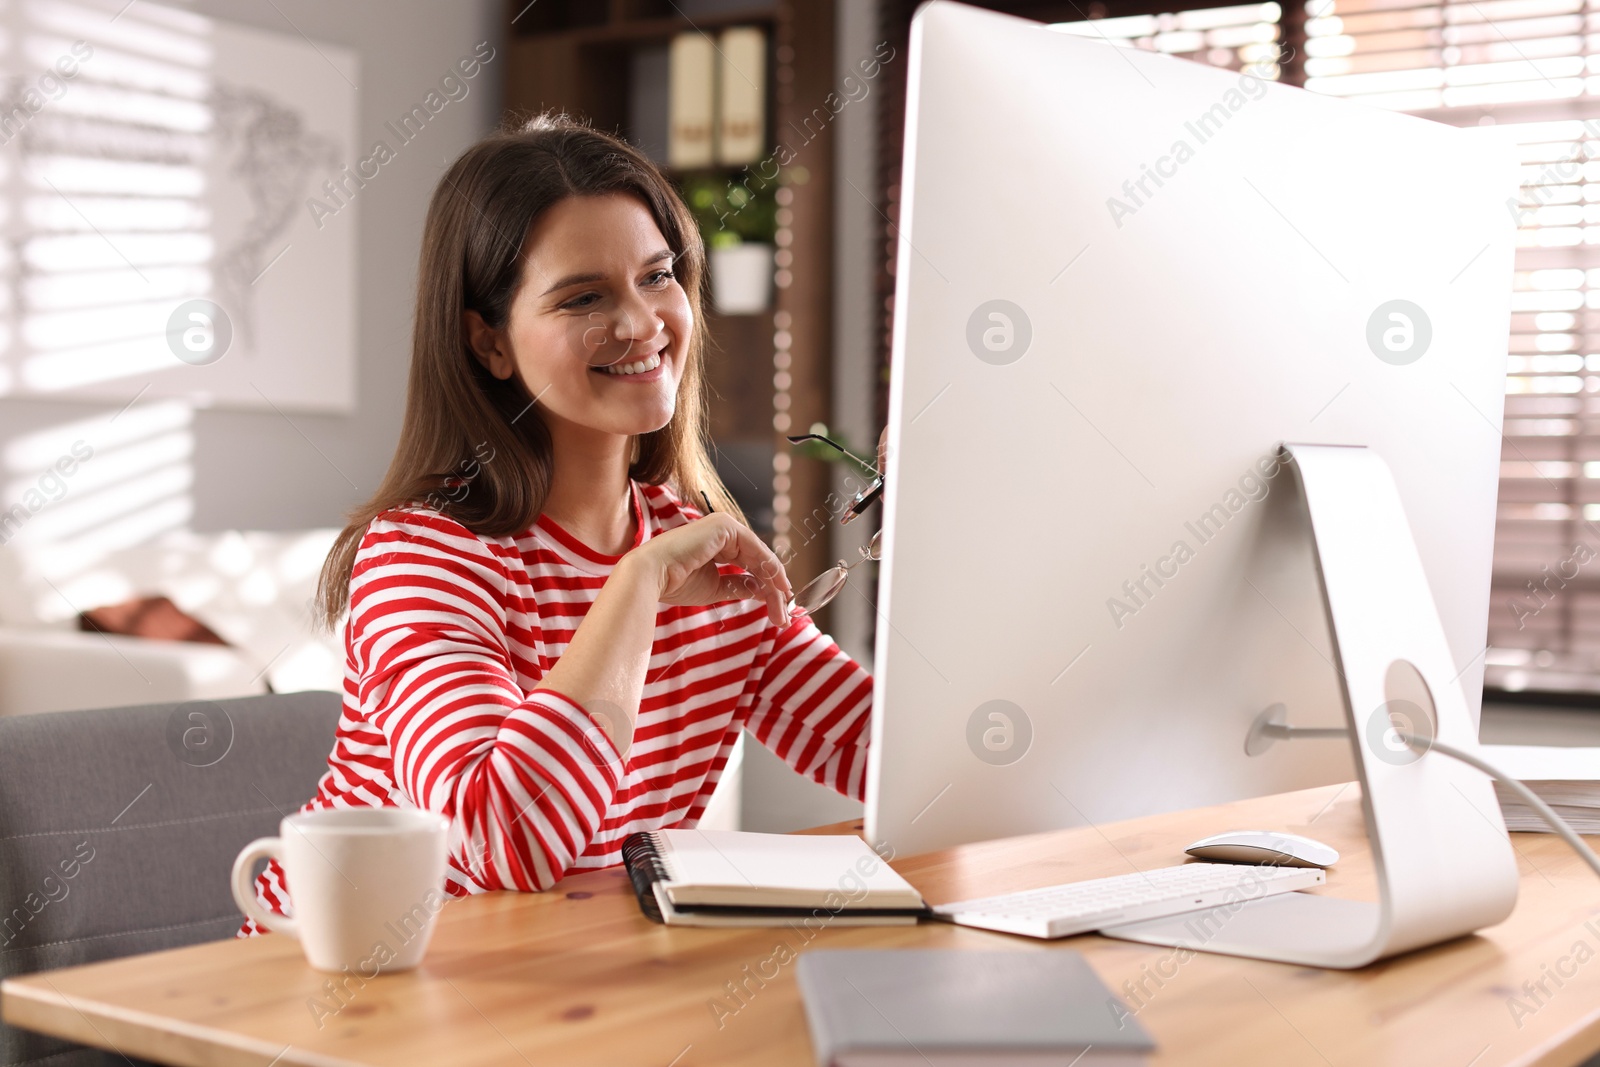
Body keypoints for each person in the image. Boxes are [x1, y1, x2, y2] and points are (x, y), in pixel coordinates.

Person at [240, 113, 878, 933]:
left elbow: (900, 758)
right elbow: (507, 841)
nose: (644, 323)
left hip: (554, 986)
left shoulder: (694, 549)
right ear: (489, 343)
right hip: (333, 994)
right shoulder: (424, 555)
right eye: (584, 296)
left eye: (658, 276)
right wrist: (637, 584)